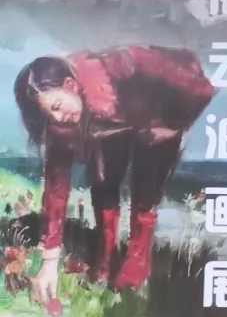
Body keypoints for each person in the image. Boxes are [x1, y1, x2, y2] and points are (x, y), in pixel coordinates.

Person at [15, 47, 214, 298]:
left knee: (148, 186)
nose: (59, 117)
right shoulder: (61, 123)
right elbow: (56, 188)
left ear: (70, 85)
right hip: (107, 124)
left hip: (155, 117)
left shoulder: (123, 66)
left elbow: (199, 87)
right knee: (103, 180)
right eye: (50, 115)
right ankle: (107, 255)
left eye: (57, 106)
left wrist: (175, 122)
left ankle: (137, 262)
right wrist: (49, 263)